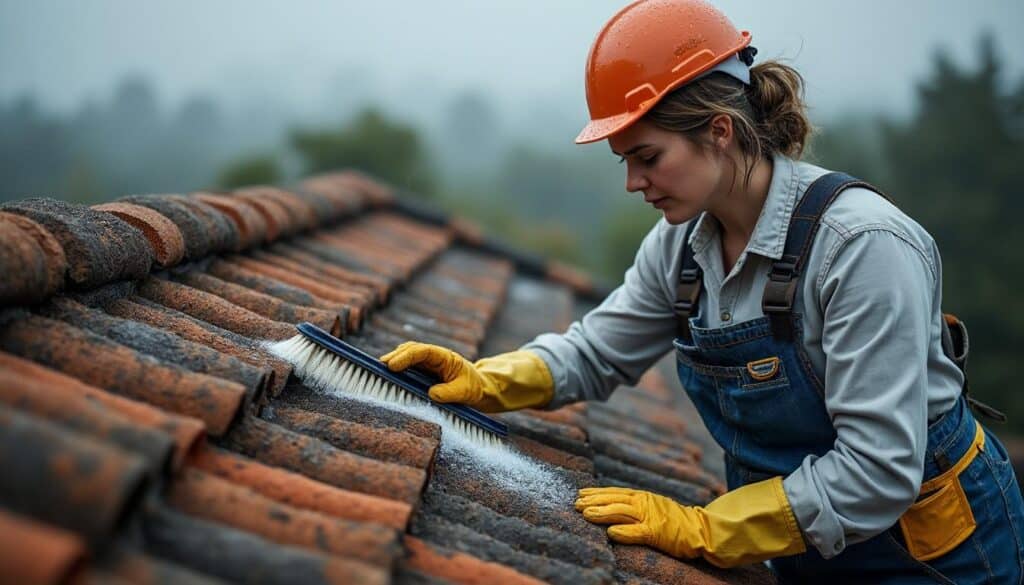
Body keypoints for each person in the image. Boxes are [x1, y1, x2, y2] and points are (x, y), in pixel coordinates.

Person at [380, 0, 1024, 581]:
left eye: (648, 157)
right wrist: (487, 381)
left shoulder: (862, 249)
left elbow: (878, 471)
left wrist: (708, 528)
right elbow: (596, 351)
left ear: (719, 130)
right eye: (625, 161)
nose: (634, 183)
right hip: (796, 540)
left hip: (936, 556)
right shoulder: (680, 246)